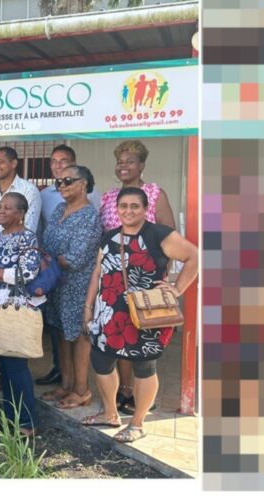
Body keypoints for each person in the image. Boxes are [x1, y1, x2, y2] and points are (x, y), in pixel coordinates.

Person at [81, 187, 198, 443]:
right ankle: (110, 413)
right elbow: (98, 273)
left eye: (135, 206)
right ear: (117, 209)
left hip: (146, 313)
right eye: (123, 206)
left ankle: (137, 423)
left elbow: (195, 256)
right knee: (101, 361)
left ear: (146, 209)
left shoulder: (159, 234)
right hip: (109, 312)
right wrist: (88, 307)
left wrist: (177, 288)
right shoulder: (109, 237)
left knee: (144, 366)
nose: (129, 211)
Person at [99, 140, 176, 413]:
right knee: (120, 333)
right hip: (114, 280)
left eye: (130, 161)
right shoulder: (109, 197)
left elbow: (169, 234)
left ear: (142, 165)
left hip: (146, 279)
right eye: (120, 161)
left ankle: (143, 397)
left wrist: (164, 278)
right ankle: (124, 389)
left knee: (144, 339)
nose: (124, 166)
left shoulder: (154, 193)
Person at [35, 145, 101, 386]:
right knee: (60, 334)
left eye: (68, 181)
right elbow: (47, 243)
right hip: (56, 285)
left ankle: (81, 390)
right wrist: (49, 259)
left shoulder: (89, 216)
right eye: (59, 182)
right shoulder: (60, 209)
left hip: (78, 286)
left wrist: (49, 260)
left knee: (79, 337)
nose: (62, 186)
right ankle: (66, 385)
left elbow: (75, 258)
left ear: (83, 184)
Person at [0, 193, 42, 436]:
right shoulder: (0, 236)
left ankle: (27, 423)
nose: (0, 211)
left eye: (7, 208)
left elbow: (27, 273)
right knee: (6, 366)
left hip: (16, 307)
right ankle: (11, 417)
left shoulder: (27, 237)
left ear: (21, 213)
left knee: (15, 366)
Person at [0, 147, 41, 257]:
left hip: (18, 257)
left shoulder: (29, 190)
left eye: (0, 162)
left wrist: (6, 257)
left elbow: (28, 228)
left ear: (13, 164)